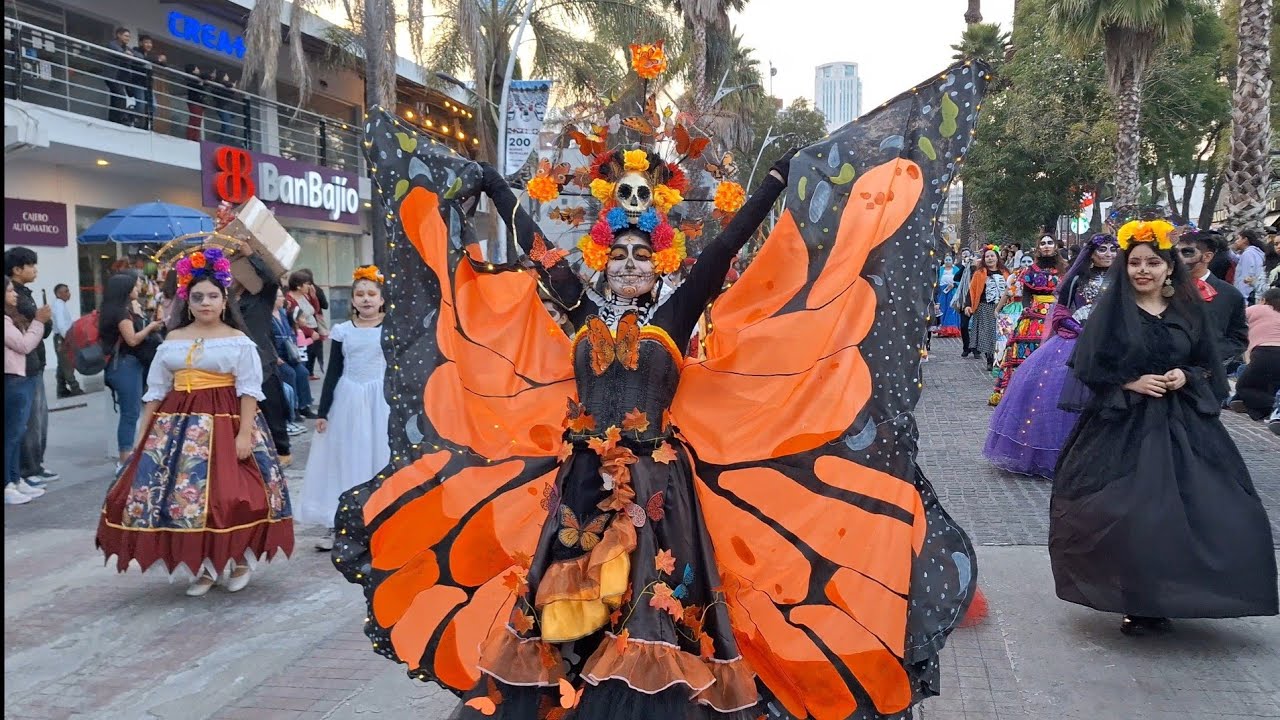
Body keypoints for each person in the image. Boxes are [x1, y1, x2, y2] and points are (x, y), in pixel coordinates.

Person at [338, 56, 987, 719]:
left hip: (659, 490)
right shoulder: (585, 317)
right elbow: (539, 251)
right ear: (602, 258)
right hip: (583, 486)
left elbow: (726, 251)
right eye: (617, 254)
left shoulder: (673, 321)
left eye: (640, 256)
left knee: (653, 603)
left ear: (658, 266)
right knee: (572, 609)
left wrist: (770, 184)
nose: (626, 263)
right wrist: (501, 192)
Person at [1049, 219, 1277, 636]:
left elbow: (1207, 359)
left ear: (1168, 267)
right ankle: (1136, 600)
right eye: (1135, 262)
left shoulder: (1189, 312)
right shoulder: (1112, 312)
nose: (1143, 270)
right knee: (1130, 513)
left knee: (1200, 507)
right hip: (1122, 423)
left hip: (1184, 424)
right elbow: (1086, 365)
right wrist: (1128, 381)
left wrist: (1184, 376)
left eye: (1152, 262)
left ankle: (1173, 593)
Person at [97, 246, 293, 596]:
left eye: (213, 296)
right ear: (187, 301)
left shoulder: (238, 341)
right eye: (198, 296)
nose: (205, 303)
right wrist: (144, 432)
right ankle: (202, 567)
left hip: (225, 420)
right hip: (176, 425)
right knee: (181, 498)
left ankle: (238, 559)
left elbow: (249, 390)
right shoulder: (172, 339)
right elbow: (156, 390)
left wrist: (245, 434)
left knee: (229, 495)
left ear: (223, 301)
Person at [984, 234, 1117, 478]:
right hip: (1074, 341)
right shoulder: (1076, 278)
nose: (1108, 254)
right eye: (1103, 249)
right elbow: (1061, 311)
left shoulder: (1123, 279)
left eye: (1113, 249)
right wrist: (1079, 329)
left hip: (1112, 343)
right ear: (1091, 253)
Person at [299, 266, 389, 551]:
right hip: (348, 401)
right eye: (359, 294)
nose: (365, 299)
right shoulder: (342, 332)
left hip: (380, 401)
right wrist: (323, 412)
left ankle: (380, 523)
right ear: (351, 300)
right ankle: (338, 523)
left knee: (379, 458)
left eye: (371, 294)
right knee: (343, 459)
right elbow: (334, 372)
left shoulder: (392, 328)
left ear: (382, 299)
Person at [233, 247, 294, 466]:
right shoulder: (222, 300)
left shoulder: (260, 298)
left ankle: (282, 450)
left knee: (272, 408)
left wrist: (251, 255)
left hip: (262, 363)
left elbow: (270, 279)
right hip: (234, 366)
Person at [100, 273, 167, 472]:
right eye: (135, 287)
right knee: (130, 413)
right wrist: (151, 327)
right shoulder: (120, 313)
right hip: (125, 366)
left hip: (126, 365)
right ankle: (125, 458)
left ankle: (129, 454)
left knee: (132, 411)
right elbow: (132, 340)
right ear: (125, 290)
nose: (138, 290)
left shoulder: (116, 309)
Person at [990, 235, 1065, 406]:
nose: (1046, 246)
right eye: (1043, 243)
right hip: (1034, 316)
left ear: (1055, 246)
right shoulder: (1031, 270)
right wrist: (1026, 308)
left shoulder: (1064, 269)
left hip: (1057, 314)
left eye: (1050, 243)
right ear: (1039, 247)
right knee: (1027, 353)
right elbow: (1026, 295)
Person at [5, 247, 58, 487]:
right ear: (17, 269)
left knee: (36, 420)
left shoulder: (24, 293)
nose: (35, 270)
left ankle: (33, 465)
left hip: (35, 364)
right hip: (22, 369)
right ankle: (25, 471)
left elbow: (42, 328)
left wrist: (42, 321)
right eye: (31, 265)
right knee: (25, 423)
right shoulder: (16, 298)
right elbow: (30, 334)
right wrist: (41, 319)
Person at [1176, 230, 1249, 370]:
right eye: (1176, 252)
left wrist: (1213, 355)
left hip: (1208, 377)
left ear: (1207, 256)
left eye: (1187, 252)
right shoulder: (1163, 287)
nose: (1179, 258)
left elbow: (1238, 338)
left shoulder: (1230, 294)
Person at [1231, 287, 1280, 420]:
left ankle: (1272, 406)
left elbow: (1236, 317)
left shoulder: (1260, 308)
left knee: (1243, 386)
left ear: (1264, 300)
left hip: (1264, 352)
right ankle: (1259, 409)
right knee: (1270, 385)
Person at [964, 244, 1012, 370]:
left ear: (997, 258)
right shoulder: (979, 273)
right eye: (987, 257)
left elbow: (1012, 287)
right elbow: (972, 290)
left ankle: (1001, 358)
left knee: (1002, 333)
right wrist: (968, 305)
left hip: (1003, 308)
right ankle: (990, 359)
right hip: (985, 307)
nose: (990, 259)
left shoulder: (1006, 273)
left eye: (992, 256)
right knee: (988, 334)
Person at [270, 289, 312, 430]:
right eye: (280, 296)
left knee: (303, 372)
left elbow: (291, 331)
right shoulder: (266, 316)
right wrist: (275, 357)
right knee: (289, 374)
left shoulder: (282, 313)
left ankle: (303, 405)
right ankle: (292, 411)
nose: (283, 299)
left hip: (290, 352)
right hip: (278, 356)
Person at [286, 271, 324, 380]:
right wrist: (311, 332)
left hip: (313, 329)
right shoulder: (290, 300)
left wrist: (313, 297)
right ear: (298, 286)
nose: (309, 286)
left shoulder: (305, 296)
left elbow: (315, 310)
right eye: (307, 283)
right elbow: (295, 320)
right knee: (304, 358)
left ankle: (308, 374)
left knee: (312, 355)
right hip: (304, 332)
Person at [50, 283, 84, 398]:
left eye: (68, 291)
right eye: (66, 291)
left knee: (62, 364)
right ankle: (75, 388)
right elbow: (61, 325)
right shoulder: (59, 305)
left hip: (61, 337)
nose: (69, 293)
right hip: (62, 338)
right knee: (67, 364)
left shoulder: (60, 304)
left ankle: (61, 389)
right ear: (58, 294)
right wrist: (67, 339)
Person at [104, 27, 139, 126]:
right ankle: (122, 118)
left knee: (115, 97)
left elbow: (139, 56)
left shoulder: (126, 48)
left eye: (129, 37)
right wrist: (125, 53)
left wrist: (130, 54)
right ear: (118, 35)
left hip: (120, 77)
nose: (128, 38)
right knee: (120, 96)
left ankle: (113, 118)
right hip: (112, 76)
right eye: (126, 36)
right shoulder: (112, 44)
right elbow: (117, 51)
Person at [1231, 229, 1269, 304]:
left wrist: (1244, 300)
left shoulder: (1248, 254)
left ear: (1245, 239)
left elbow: (1245, 277)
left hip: (1247, 298)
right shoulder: (1257, 253)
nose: (1236, 241)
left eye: (1238, 238)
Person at [934, 254, 962, 337]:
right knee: (942, 310)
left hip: (952, 292)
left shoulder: (956, 269)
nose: (948, 261)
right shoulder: (940, 269)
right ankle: (942, 329)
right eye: (946, 260)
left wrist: (954, 284)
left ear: (952, 261)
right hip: (942, 292)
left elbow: (960, 280)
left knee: (951, 310)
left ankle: (952, 329)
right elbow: (936, 280)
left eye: (949, 260)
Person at [183, 63, 207, 142]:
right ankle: (191, 137)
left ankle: (195, 137)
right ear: (192, 70)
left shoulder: (197, 78)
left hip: (198, 101)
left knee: (197, 120)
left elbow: (205, 77)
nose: (198, 70)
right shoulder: (191, 78)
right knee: (194, 120)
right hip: (194, 101)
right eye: (197, 68)